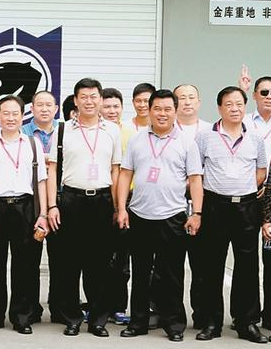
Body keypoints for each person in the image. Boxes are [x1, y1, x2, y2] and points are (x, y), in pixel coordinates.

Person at [116, 89, 203, 342]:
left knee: (171, 274)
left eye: (167, 109)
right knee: (140, 272)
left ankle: (174, 324)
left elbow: (195, 179)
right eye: (157, 109)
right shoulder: (137, 140)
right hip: (139, 214)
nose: (162, 114)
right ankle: (138, 322)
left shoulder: (186, 142)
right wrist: (121, 208)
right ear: (149, 110)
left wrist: (196, 213)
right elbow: (125, 174)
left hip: (172, 216)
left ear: (175, 111)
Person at [46, 78, 121, 337]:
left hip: (102, 201)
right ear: (76, 101)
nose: (89, 101)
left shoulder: (112, 130)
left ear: (100, 99)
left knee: (99, 264)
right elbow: (52, 169)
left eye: (93, 96)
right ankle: (72, 318)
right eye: (84, 97)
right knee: (68, 263)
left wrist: (118, 207)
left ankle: (98, 319)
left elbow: (116, 170)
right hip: (71, 200)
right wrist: (52, 206)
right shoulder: (63, 129)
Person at [194, 86, 268, 343]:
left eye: (239, 104)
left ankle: (246, 322)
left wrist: (244, 188)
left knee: (247, 266)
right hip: (215, 206)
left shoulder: (255, 138)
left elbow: (261, 171)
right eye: (229, 104)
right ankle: (211, 322)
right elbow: (196, 172)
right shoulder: (205, 137)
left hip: (246, 207)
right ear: (219, 108)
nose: (234, 109)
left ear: (245, 107)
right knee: (211, 265)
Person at [0, 95, 48, 335]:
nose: (10, 118)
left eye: (15, 113)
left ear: (23, 115)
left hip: (25, 208)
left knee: (24, 266)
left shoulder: (33, 144)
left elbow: (41, 182)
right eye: (5, 113)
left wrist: (43, 214)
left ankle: (21, 317)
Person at [172, 83, 211, 330]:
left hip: (201, 203)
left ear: (199, 102)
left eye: (191, 98)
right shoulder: (166, 128)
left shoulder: (210, 130)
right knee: (170, 266)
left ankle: (202, 316)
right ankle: (171, 315)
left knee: (202, 265)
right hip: (172, 204)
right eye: (182, 98)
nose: (187, 102)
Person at [239, 68, 271, 330]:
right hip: (250, 191)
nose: (269, 97)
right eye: (265, 92)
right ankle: (247, 315)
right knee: (247, 258)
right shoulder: (246, 121)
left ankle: (269, 314)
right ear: (255, 95)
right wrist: (241, 89)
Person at [99, 87, 133, 326]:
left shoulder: (131, 134)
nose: (112, 110)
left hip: (126, 200)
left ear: (122, 108)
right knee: (98, 257)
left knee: (122, 258)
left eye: (116, 106)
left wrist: (122, 206)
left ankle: (119, 307)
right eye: (107, 106)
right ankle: (98, 305)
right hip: (100, 198)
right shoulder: (95, 132)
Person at [21, 90, 59, 158]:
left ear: (56, 109)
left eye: (48, 105)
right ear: (32, 109)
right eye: (40, 105)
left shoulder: (64, 130)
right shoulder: (22, 131)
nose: (44, 109)